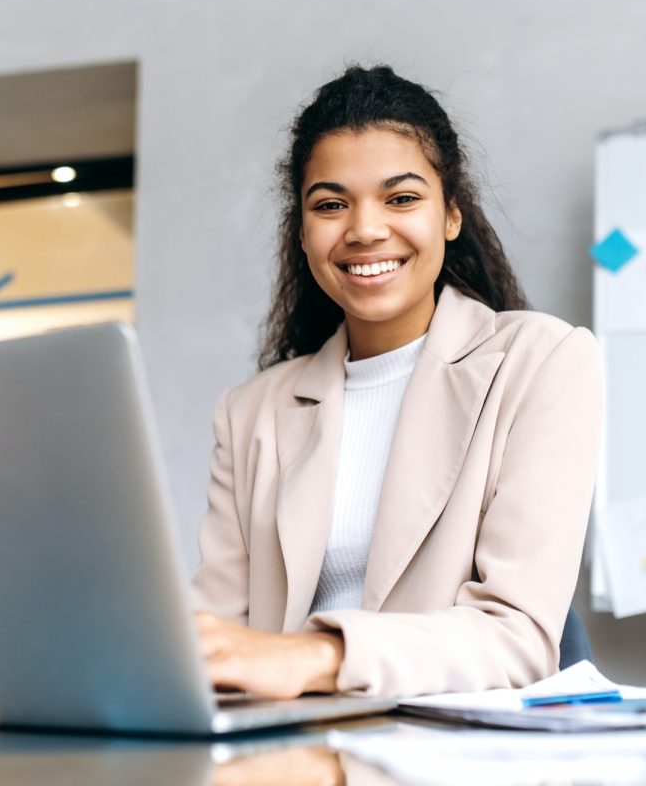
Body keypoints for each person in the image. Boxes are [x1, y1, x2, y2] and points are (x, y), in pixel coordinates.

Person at [191, 65, 603, 700]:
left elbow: (518, 636)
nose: (364, 229)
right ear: (302, 233)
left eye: (401, 198)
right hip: (281, 745)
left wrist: (315, 656)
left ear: (451, 215)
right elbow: (217, 634)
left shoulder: (544, 362)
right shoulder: (250, 413)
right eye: (330, 205)